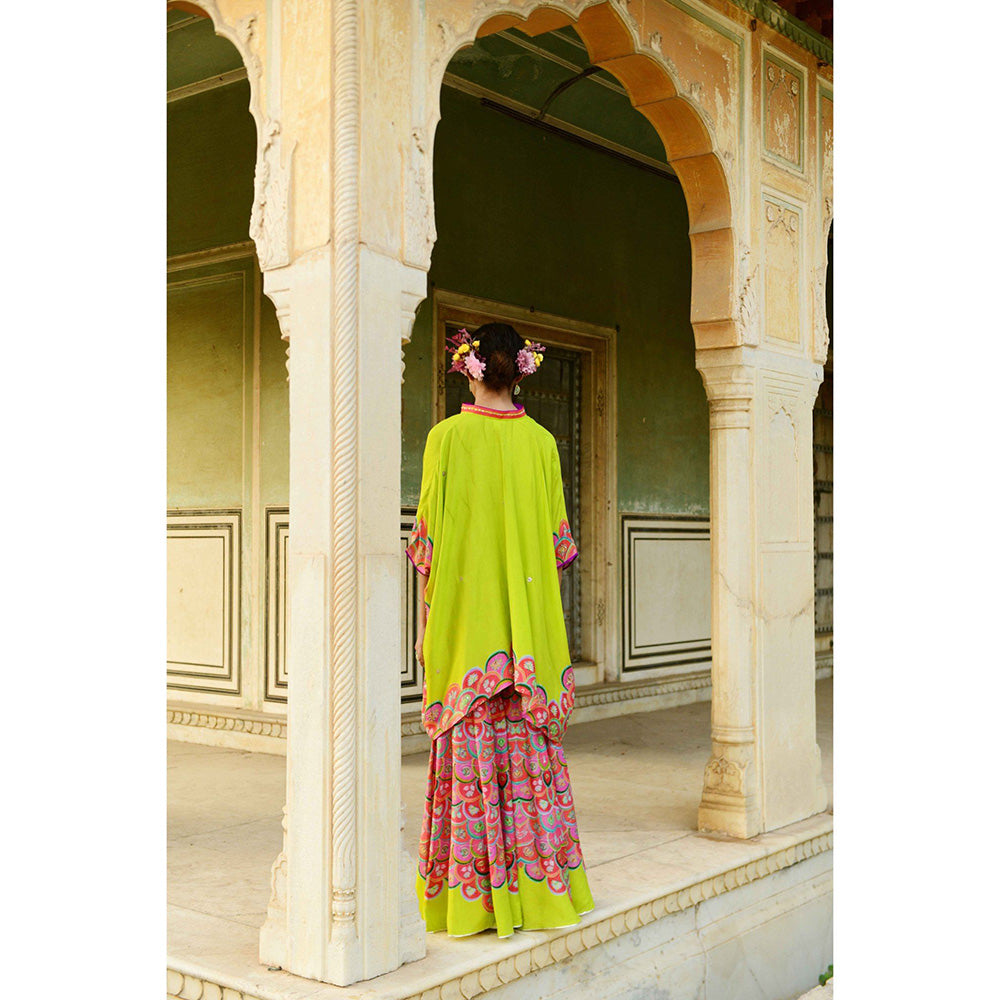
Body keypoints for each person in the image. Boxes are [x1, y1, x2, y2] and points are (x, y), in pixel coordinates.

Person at [405, 321, 594, 938]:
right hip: (528, 639)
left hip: (465, 631)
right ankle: (540, 893)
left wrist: (427, 625)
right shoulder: (542, 443)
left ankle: (470, 902)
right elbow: (558, 549)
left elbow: (429, 545)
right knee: (528, 762)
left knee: (469, 761)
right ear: (521, 371)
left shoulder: (445, 439)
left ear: (469, 367)